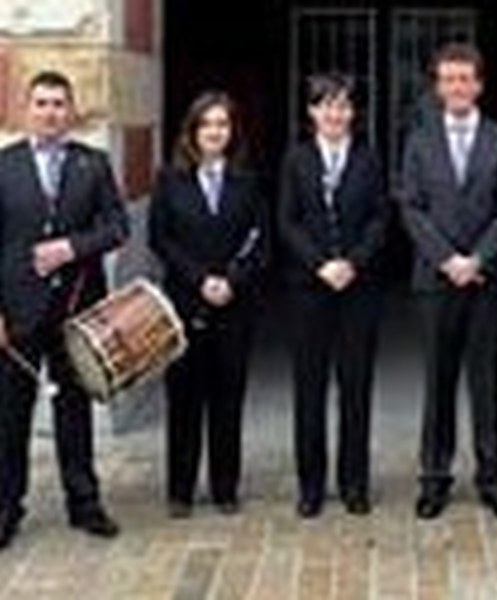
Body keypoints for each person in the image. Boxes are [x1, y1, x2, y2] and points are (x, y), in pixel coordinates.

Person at [0, 70, 129, 549]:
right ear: (26, 109)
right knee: (9, 416)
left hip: (77, 311)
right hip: (16, 313)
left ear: (71, 111)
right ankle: (6, 508)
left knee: (74, 410)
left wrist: (71, 247)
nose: (51, 112)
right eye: (42, 103)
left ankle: (84, 503)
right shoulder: (4, 165)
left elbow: (117, 227)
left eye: (59, 103)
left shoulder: (93, 164)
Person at [398, 43, 497, 521]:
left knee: (487, 384)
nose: (457, 87)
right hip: (437, 279)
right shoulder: (419, 141)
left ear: (479, 85)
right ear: (437, 87)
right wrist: (448, 259)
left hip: (488, 280)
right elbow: (411, 207)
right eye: (448, 79)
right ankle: (434, 479)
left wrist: (477, 258)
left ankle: (493, 480)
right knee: (439, 382)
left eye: (464, 78)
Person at [149, 91, 267, 518]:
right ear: (193, 131)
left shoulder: (248, 181)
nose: (215, 132)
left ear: (232, 131)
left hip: (235, 303)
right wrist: (201, 279)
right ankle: (180, 491)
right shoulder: (169, 179)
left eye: (223, 124)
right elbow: (160, 239)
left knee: (227, 398)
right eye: (207, 124)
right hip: (185, 302)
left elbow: (261, 242)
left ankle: (224, 488)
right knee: (184, 398)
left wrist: (231, 280)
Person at [278, 73, 386, 518]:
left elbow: (380, 219)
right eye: (326, 105)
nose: (335, 114)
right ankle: (311, 486)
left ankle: (354, 483)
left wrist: (353, 263)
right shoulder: (296, 159)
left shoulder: (369, 158)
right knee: (310, 389)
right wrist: (320, 264)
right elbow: (287, 221)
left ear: (353, 112)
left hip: (358, 289)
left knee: (355, 388)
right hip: (309, 289)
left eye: (342, 105)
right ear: (312, 112)